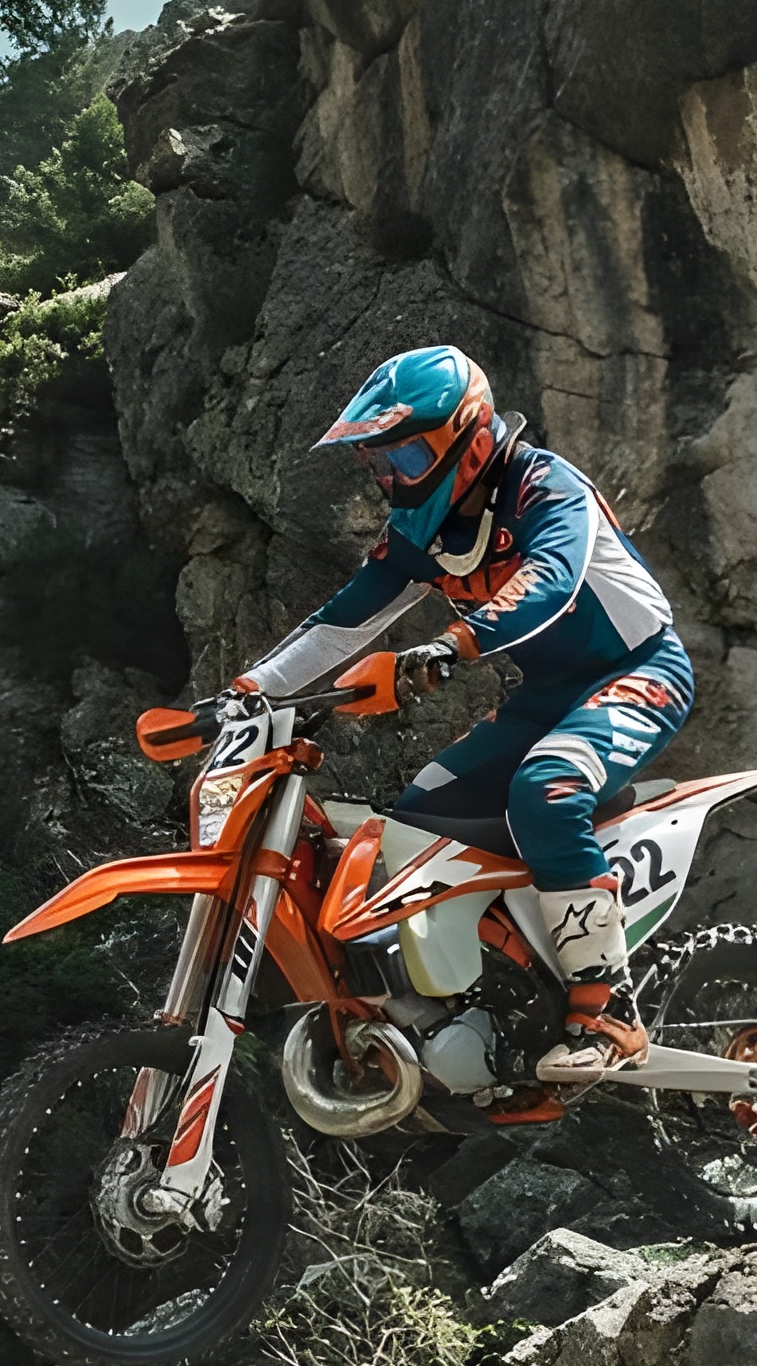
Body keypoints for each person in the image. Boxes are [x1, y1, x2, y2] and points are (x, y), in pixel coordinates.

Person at [239, 344, 696, 1084]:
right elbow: (345, 620)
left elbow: (549, 581)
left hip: (639, 670)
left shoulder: (545, 484)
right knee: (416, 822)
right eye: (377, 462)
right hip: (547, 695)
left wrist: (451, 644)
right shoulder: (424, 527)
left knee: (544, 788)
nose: (390, 477)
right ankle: (490, 997)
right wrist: (249, 689)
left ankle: (607, 1007)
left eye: (407, 454)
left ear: (473, 437)